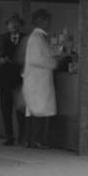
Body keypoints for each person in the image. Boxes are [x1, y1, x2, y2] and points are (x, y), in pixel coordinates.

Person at [0, 14, 26, 146]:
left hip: (21, 77)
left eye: (17, 23)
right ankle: (9, 136)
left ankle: (22, 136)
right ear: (7, 25)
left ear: (20, 25)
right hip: (4, 77)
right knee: (5, 107)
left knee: (21, 108)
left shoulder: (26, 38)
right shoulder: (0, 38)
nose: (14, 25)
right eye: (11, 23)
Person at [22, 9, 60, 148]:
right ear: (40, 21)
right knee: (39, 110)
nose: (49, 23)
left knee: (35, 110)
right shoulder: (37, 38)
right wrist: (54, 62)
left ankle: (31, 140)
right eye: (47, 20)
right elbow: (36, 59)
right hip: (38, 81)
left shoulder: (38, 37)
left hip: (37, 81)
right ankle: (36, 140)